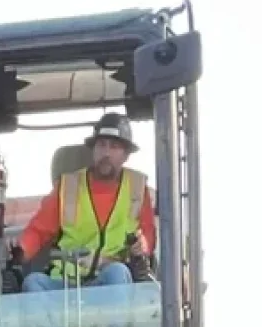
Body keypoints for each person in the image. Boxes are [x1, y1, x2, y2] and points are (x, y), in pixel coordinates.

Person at [13, 113, 156, 292]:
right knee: (33, 282)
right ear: (93, 149)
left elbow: (148, 235)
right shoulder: (67, 187)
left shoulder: (137, 188)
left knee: (117, 273)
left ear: (126, 155)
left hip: (108, 280)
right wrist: (19, 252)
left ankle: (111, 312)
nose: (106, 153)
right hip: (65, 284)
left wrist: (142, 246)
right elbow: (37, 231)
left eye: (114, 147)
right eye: (101, 145)